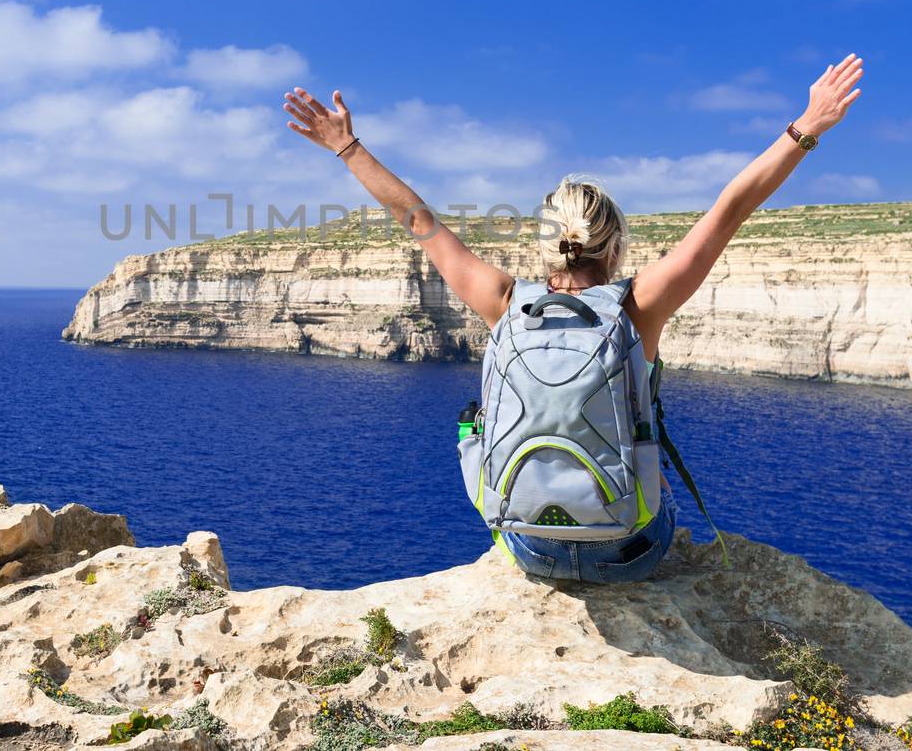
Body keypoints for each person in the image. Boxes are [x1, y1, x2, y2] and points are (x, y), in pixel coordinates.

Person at [282, 54, 865, 582]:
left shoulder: (504, 300)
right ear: (614, 249)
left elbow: (417, 220)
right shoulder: (640, 306)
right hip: (629, 552)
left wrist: (347, 147)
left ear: (543, 248)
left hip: (529, 549)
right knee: (655, 483)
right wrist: (807, 125)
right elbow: (730, 207)